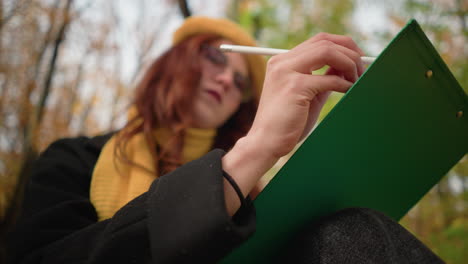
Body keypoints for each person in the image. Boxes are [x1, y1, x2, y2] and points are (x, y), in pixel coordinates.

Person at [6, 16, 444, 264]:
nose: (225, 79)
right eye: (216, 57)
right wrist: (251, 153)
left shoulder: (253, 205)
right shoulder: (74, 159)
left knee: (349, 230)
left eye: (239, 83)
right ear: (175, 60)